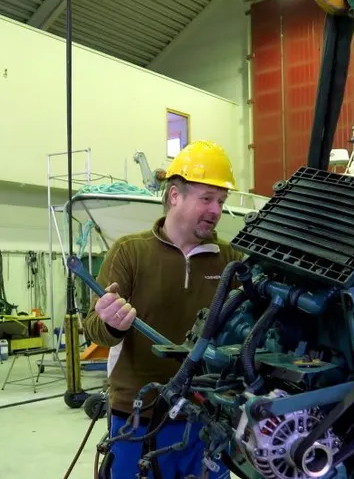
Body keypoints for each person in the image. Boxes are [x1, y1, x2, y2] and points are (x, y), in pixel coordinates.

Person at [83, 140, 243, 479]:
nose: (216, 210)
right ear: (174, 196)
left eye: (221, 201)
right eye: (206, 199)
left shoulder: (230, 260)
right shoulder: (130, 252)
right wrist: (111, 323)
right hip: (137, 418)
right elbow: (93, 328)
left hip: (205, 420)